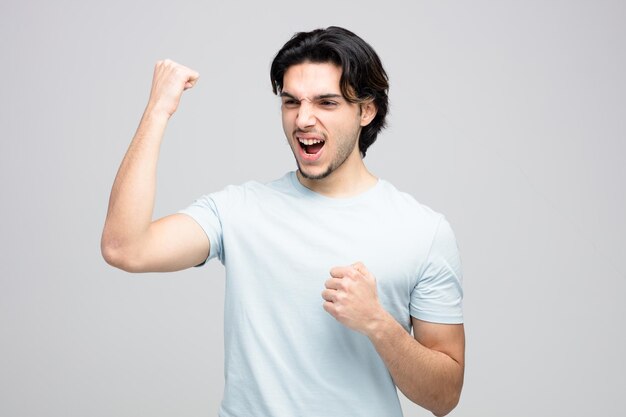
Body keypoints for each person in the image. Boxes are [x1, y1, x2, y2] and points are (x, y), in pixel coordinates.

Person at [101, 26, 465, 417]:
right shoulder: (238, 210)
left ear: (367, 110)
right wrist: (158, 111)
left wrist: (378, 323)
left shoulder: (422, 230)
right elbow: (125, 248)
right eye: (291, 102)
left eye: (326, 103)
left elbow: (444, 397)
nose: (303, 119)